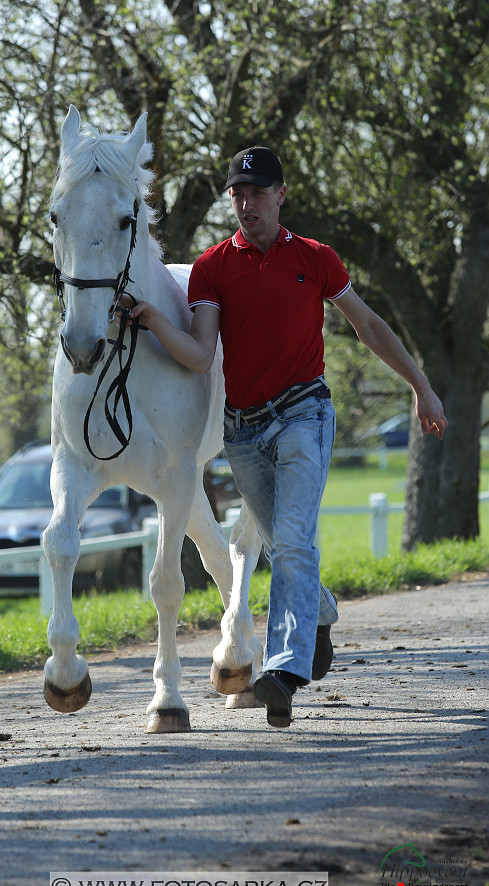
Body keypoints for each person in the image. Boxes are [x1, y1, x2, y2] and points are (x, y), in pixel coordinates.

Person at [118, 146, 447, 728]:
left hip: (304, 416)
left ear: (281, 195)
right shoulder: (213, 268)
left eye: (258, 193)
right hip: (243, 433)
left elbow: (366, 324)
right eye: (238, 194)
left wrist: (420, 385)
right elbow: (198, 354)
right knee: (282, 545)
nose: (247, 204)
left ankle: (283, 670)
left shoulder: (315, 258)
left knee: (292, 543)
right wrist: (155, 320)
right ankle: (319, 614)